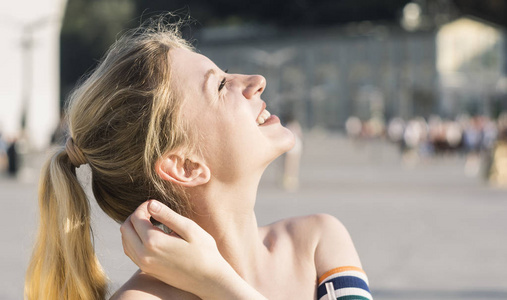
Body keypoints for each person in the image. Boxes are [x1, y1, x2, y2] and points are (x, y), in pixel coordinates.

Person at [25, 16, 372, 300]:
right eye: (220, 86)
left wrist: (218, 283)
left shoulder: (317, 241)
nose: (255, 81)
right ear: (185, 166)